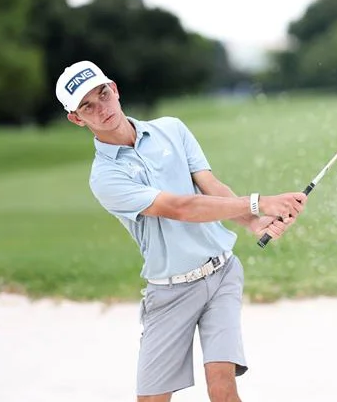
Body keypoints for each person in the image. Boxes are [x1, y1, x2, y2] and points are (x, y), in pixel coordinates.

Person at [55, 60, 307, 402]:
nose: (101, 108)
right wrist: (259, 203)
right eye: (87, 106)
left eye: (103, 94)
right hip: (170, 292)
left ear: (114, 88)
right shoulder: (105, 176)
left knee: (222, 387)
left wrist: (253, 223)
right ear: (76, 119)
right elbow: (181, 208)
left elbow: (209, 185)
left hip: (222, 273)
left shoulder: (171, 129)